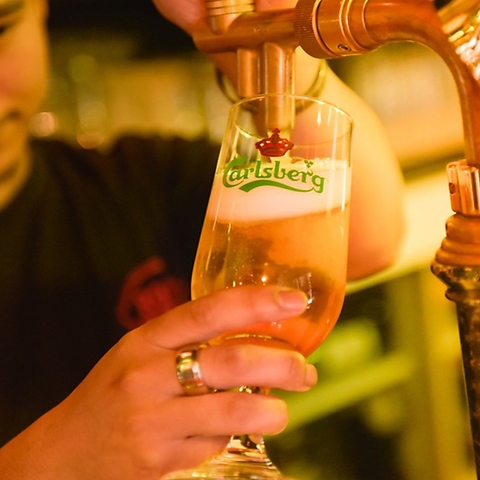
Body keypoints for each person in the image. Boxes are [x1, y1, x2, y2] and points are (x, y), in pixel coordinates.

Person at [0, 0, 405, 478]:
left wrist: (253, 33)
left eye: (2, 27)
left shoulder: (132, 183)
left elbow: (367, 241)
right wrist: (50, 463)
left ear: (41, 11)